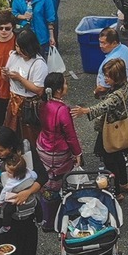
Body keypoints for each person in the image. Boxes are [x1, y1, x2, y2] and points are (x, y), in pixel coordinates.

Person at [74, 57, 128, 197]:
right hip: (118, 128)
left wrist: (85, 110)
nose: (105, 79)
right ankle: (124, 183)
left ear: (117, 77)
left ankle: (116, 193)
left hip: (110, 130)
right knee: (119, 156)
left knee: (110, 161)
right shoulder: (123, 86)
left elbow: (103, 106)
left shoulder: (116, 95)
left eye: (108, 76)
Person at [34, 72, 82, 222]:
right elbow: (70, 135)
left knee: (46, 179)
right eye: (65, 84)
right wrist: (78, 153)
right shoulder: (62, 110)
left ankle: (45, 215)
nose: (67, 86)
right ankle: (54, 217)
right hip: (57, 151)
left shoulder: (43, 104)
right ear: (59, 90)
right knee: (56, 183)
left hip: (42, 146)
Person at [3, 28, 48, 137]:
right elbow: (6, 80)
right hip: (13, 102)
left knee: (28, 137)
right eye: (17, 46)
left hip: (29, 106)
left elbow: (39, 90)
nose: (19, 51)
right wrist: (5, 74)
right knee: (11, 134)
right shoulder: (14, 56)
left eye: (22, 48)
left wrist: (20, 79)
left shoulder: (39, 64)